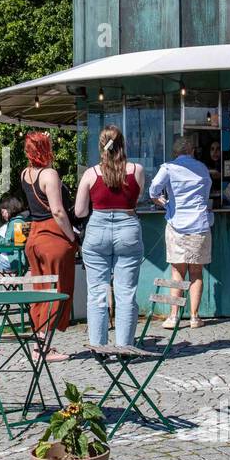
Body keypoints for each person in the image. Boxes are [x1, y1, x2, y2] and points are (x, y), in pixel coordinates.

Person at [74, 125, 145, 347]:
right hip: (128, 229)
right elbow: (136, 200)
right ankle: (124, 346)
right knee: (126, 293)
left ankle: (99, 348)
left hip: (97, 230)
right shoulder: (137, 170)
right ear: (123, 144)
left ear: (101, 146)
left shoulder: (90, 174)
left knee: (96, 293)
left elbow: (80, 212)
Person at [21, 131, 77, 361]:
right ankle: (43, 347)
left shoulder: (25, 173)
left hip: (34, 237)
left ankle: (38, 345)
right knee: (57, 292)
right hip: (52, 236)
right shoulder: (50, 174)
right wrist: (72, 237)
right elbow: (57, 211)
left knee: (41, 291)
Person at [149, 136, 214, 328]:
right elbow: (207, 193)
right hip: (200, 225)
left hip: (177, 225)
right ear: (192, 150)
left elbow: (153, 191)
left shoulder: (168, 167)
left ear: (175, 153)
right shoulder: (202, 168)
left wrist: (166, 204)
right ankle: (195, 317)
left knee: (177, 272)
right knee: (197, 272)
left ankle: (174, 316)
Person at [0, 195, 28, 274]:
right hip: (22, 260)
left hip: (13, 260)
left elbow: (8, 246)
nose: (2, 215)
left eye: (2, 212)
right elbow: (20, 244)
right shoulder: (23, 221)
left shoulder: (15, 223)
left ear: (9, 209)